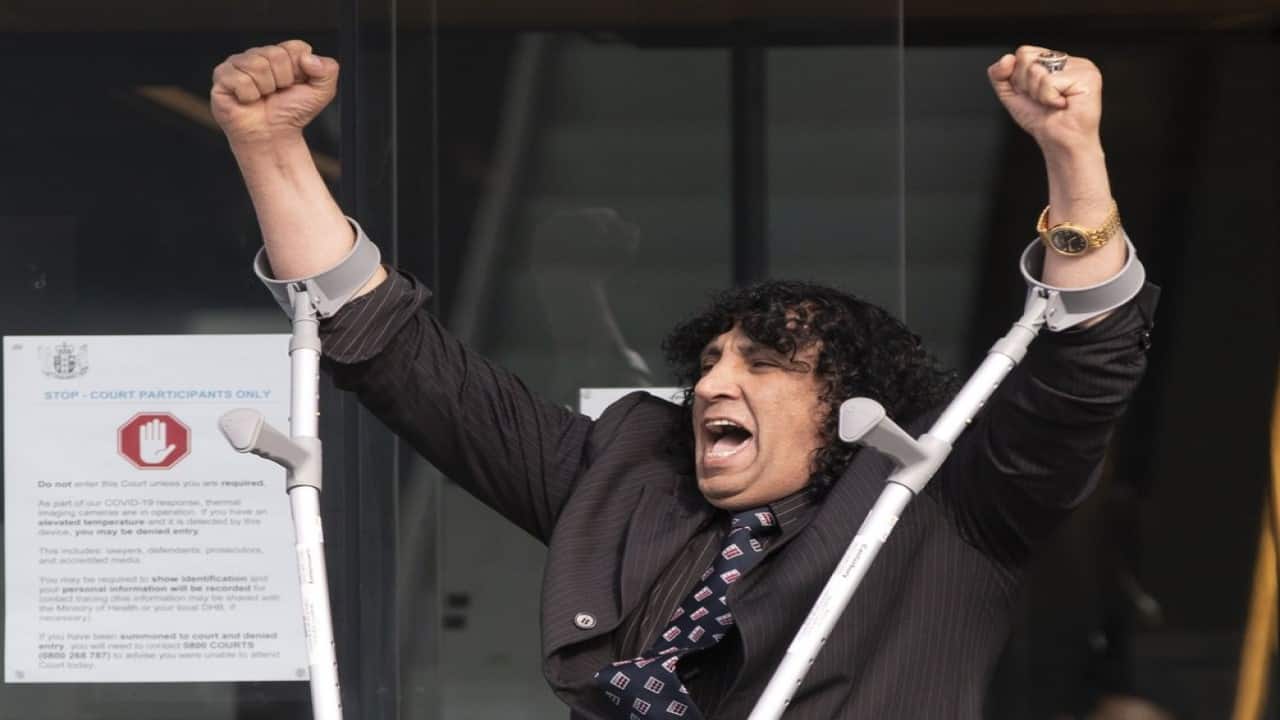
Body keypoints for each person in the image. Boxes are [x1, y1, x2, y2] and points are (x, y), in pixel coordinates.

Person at [211, 40, 1158, 718]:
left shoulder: (947, 501)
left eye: (763, 362)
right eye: (708, 362)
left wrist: (1073, 156)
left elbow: (1088, 361)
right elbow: (404, 362)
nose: (711, 385)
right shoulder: (626, 476)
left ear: (851, 406)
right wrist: (270, 147)